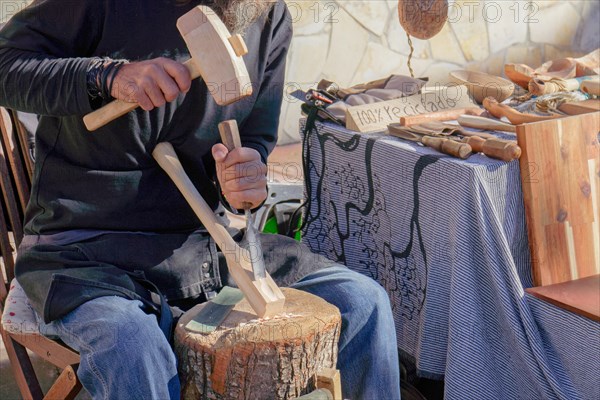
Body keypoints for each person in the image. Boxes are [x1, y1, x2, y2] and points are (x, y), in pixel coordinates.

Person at [0, 1, 401, 398]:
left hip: (204, 248)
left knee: (362, 303)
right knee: (131, 344)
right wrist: (107, 75)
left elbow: (256, 136)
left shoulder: (265, 13)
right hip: (85, 250)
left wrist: (244, 174)